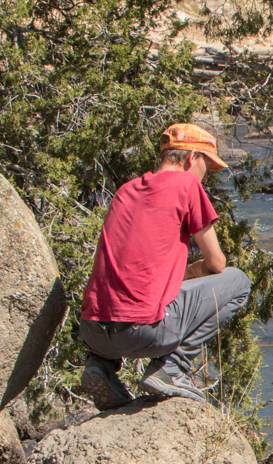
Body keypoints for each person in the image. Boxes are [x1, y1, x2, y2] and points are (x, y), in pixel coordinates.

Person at [77, 123, 251, 408]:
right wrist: (195, 273)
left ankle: (100, 366)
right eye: (206, 167)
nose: (205, 178)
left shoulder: (127, 189)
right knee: (238, 281)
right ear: (191, 157)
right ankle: (171, 368)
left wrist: (184, 274)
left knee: (120, 292)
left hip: (92, 332)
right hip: (141, 333)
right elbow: (217, 263)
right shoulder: (187, 184)